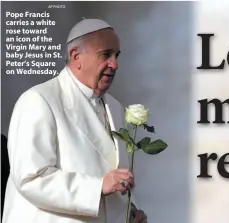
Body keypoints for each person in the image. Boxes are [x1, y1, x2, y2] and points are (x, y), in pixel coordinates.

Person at [2, 19, 147, 223]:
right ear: (76, 56)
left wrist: (129, 214)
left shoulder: (115, 107)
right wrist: (98, 186)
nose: (115, 64)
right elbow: (30, 178)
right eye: (105, 55)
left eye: (117, 55)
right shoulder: (39, 100)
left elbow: (112, 178)